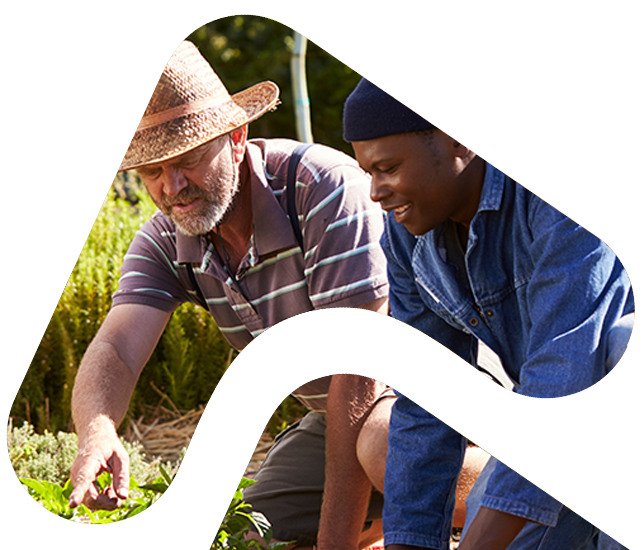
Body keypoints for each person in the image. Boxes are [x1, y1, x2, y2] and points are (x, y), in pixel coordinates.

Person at [67, 41, 483, 550]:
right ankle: (380, 528)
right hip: (339, 417)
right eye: (152, 172)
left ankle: (539, 505)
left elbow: (360, 376)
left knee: (382, 446)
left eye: (190, 160)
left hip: (449, 394)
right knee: (255, 533)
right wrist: (98, 430)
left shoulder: (322, 189)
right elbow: (115, 348)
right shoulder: (166, 238)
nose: (172, 186)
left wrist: (333, 542)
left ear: (237, 137)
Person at [342, 77, 634, 550]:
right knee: (499, 520)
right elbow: (428, 401)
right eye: (368, 172)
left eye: (389, 167)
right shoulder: (408, 239)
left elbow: (567, 369)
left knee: (620, 344)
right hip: (556, 428)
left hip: (612, 410)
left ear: (459, 139)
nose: (375, 191)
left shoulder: (557, 190)